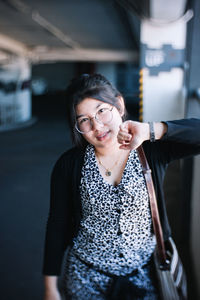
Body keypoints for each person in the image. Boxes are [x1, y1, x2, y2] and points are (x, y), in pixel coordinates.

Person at [43, 73, 200, 300]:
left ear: (119, 104)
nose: (97, 126)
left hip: (144, 275)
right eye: (84, 120)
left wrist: (151, 130)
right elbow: (57, 224)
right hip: (85, 277)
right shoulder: (69, 164)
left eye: (101, 111)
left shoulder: (150, 150)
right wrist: (50, 287)